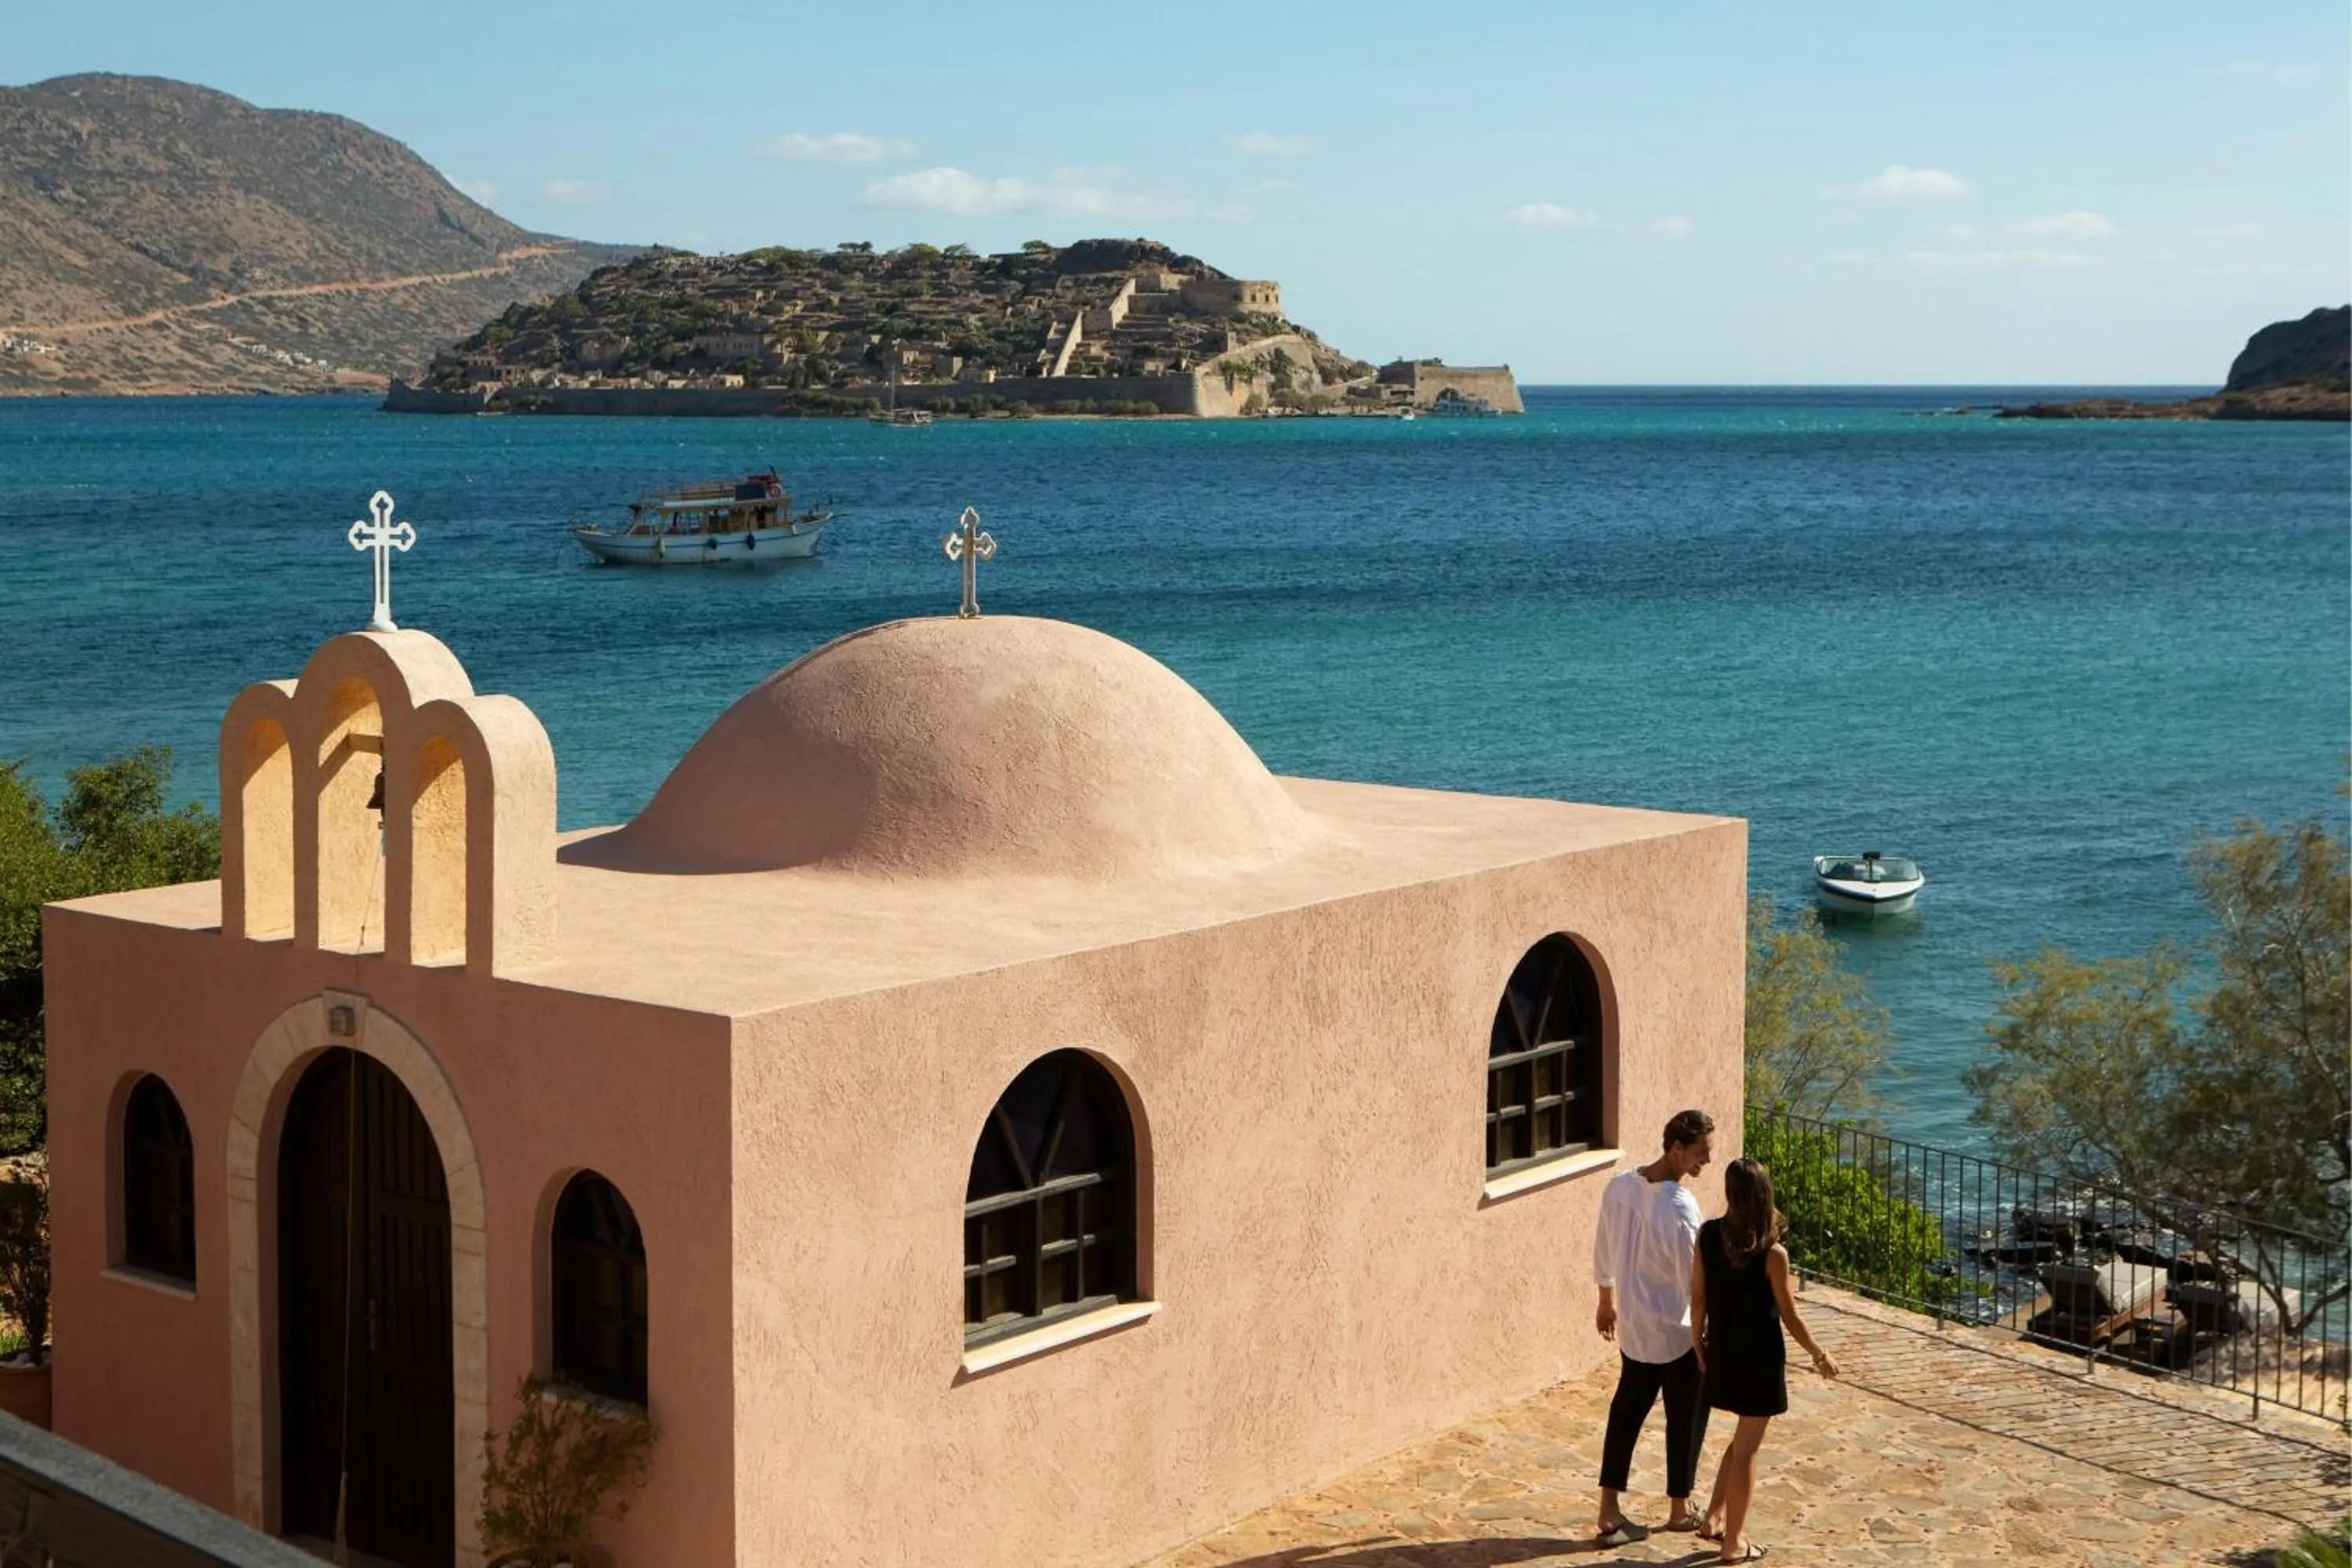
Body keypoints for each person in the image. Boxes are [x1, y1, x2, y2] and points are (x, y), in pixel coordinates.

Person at [1690, 1156, 1841, 1564]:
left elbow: (1698, 1297)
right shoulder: (1773, 1254)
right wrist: (1818, 1354)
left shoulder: (1707, 1236)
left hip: (1721, 1348)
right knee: (1748, 1449)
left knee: (1742, 1441)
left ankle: (1715, 1517)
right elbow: (1789, 1316)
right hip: (1758, 1357)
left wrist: (1697, 1340)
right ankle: (1734, 1542)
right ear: (1763, 1195)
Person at [1590, 1108, 1715, 1544]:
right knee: (1685, 1418)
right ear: (1676, 1149)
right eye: (1701, 1153)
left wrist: (1606, 1301)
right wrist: (1702, 1333)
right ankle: (1679, 1509)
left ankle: (1609, 1508)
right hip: (1676, 1331)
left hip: (1634, 1328)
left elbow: (1603, 1244)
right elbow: (1693, 1278)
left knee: (1625, 1414)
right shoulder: (1681, 1208)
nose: (1706, 1162)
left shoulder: (1620, 1186)